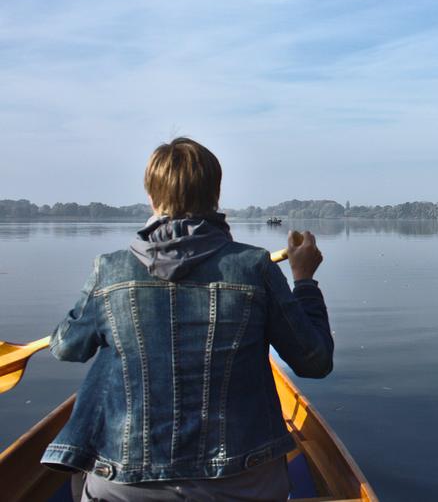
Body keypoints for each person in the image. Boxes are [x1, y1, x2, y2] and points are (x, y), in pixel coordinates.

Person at [40, 137, 333, 501]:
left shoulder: (110, 271)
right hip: (242, 484)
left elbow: (66, 347)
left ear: (151, 196)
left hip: (127, 487)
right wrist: (303, 280)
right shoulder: (254, 267)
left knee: (105, 371)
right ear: (215, 195)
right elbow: (315, 361)